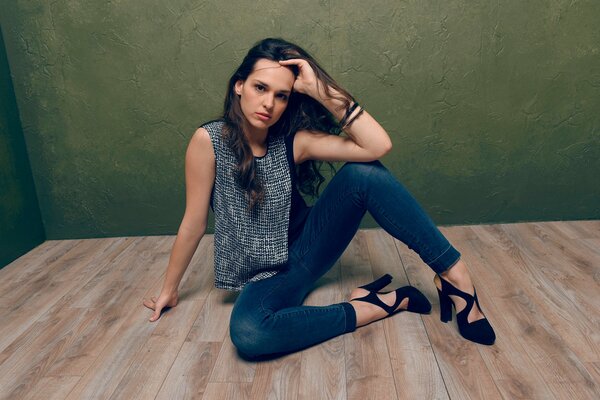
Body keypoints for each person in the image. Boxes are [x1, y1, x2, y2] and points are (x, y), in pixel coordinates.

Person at [143, 38, 495, 359]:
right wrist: (169, 289)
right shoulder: (208, 142)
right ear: (239, 86)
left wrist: (320, 90)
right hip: (265, 275)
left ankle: (454, 274)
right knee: (250, 332)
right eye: (260, 87)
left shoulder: (294, 142)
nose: (269, 103)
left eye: (281, 95)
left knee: (364, 173)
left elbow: (378, 146)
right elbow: (194, 221)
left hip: (308, 247)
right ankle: (376, 306)